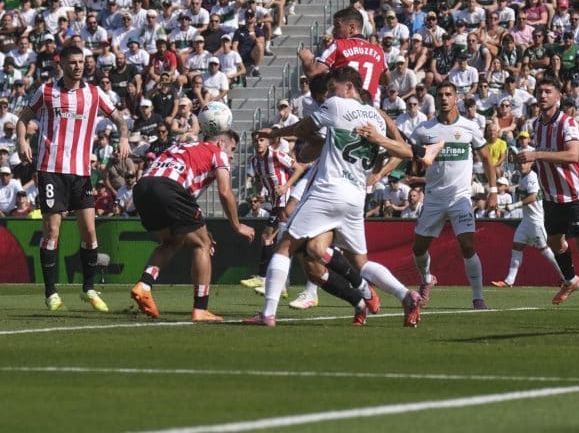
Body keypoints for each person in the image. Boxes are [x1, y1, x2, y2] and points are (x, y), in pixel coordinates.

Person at [244, 67, 422, 327]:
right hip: (355, 196)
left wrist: (275, 133)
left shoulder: (337, 105)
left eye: (332, 88)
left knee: (285, 245)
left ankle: (268, 314)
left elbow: (304, 127)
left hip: (329, 189)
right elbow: (397, 153)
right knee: (360, 262)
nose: (328, 94)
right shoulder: (377, 119)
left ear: (348, 87)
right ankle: (405, 295)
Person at [16, 45, 130, 312]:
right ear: (62, 64)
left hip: (81, 172)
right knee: (53, 230)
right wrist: (22, 140)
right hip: (51, 169)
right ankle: (51, 292)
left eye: (81, 62)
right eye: (73, 62)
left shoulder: (93, 93)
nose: (79, 66)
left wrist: (123, 136)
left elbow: (119, 119)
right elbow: (23, 118)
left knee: (89, 231)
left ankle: (88, 288)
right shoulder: (47, 91)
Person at [129, 131, 255, 321]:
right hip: (170, 189)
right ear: (221, 143)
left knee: (172, 242)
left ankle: (144, 285)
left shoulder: (181, 146)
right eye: (232, 149)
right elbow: (225, 191)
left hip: (142, 188)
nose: (231, 156)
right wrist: (237, 226)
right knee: (202, 245)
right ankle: (200, 308)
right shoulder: (217, 152)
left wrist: (201, 229)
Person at [517, 77, 579, 313]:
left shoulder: (567, 123)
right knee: (553, 242)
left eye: (548, 91)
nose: (542, 95)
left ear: (558, 96)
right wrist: (529, 161)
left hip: (576, 198)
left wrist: (536, 155)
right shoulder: (537, 125)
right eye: (540, 91)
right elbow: (542, 158)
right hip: (553, 199)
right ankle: (571, 280)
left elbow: (573, 155)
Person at [408, 81, 496, 310]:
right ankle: (427, 279)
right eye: (440, 95)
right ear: (436, 99)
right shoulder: (424, 130)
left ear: (456, 98)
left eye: (449, 94)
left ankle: (478, 298)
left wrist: (493, 190)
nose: (444, 98)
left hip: (460, 198)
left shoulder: (469, 127)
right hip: (434, 198)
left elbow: (486, 158)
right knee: (418, 249)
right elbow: (406, 151)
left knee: (467, 246)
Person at [240, 132, 307, 291]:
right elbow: (259, 180)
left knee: (267, 236)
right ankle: (282, 285)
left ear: (268, 141)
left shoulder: (277, 155)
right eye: (255, 141)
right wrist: (261, 195)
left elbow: (299, 168)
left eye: (261, 140)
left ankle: (263, 277)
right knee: (287, 243)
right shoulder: (255, 161)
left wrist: (286, 186)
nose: (258, 143)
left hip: (286, 202)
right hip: (276, 202)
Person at [492, 147, 565, 288]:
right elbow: (522, 187)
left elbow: (532, 196)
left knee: (545, 250)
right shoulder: (522, 177)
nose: (522, 165)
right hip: (526, 220)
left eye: (525, 162)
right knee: (516, 247)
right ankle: (509, 281)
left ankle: (566, 277)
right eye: (520, 163)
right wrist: (511, 188)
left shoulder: (532, 177)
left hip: (536, 220)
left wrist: (513, 206)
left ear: (531, 164)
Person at [298, 7, 385, 101]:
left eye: (337, 26)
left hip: (344, 106)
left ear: (352, 28)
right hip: (369, 108)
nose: (333, 31)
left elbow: (313, 73)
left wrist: (306, 59)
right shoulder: (378, 51)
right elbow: (386, 80)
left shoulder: (338, 45)